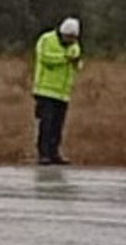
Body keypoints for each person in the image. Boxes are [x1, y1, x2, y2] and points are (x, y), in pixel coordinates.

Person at [32, 17, 82, 165]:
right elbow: (46, 59)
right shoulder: (46, 39)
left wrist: (76, 62)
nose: (71, 40)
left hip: (63, 93)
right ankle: (43, 154)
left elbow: (77, 64)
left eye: (74, 37)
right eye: (69, 37)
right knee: (46, 124)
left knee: (57, 125)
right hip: (45, 90)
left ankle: (54, 153)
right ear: (62, 33)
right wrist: (65, 58)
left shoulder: (74, 46)